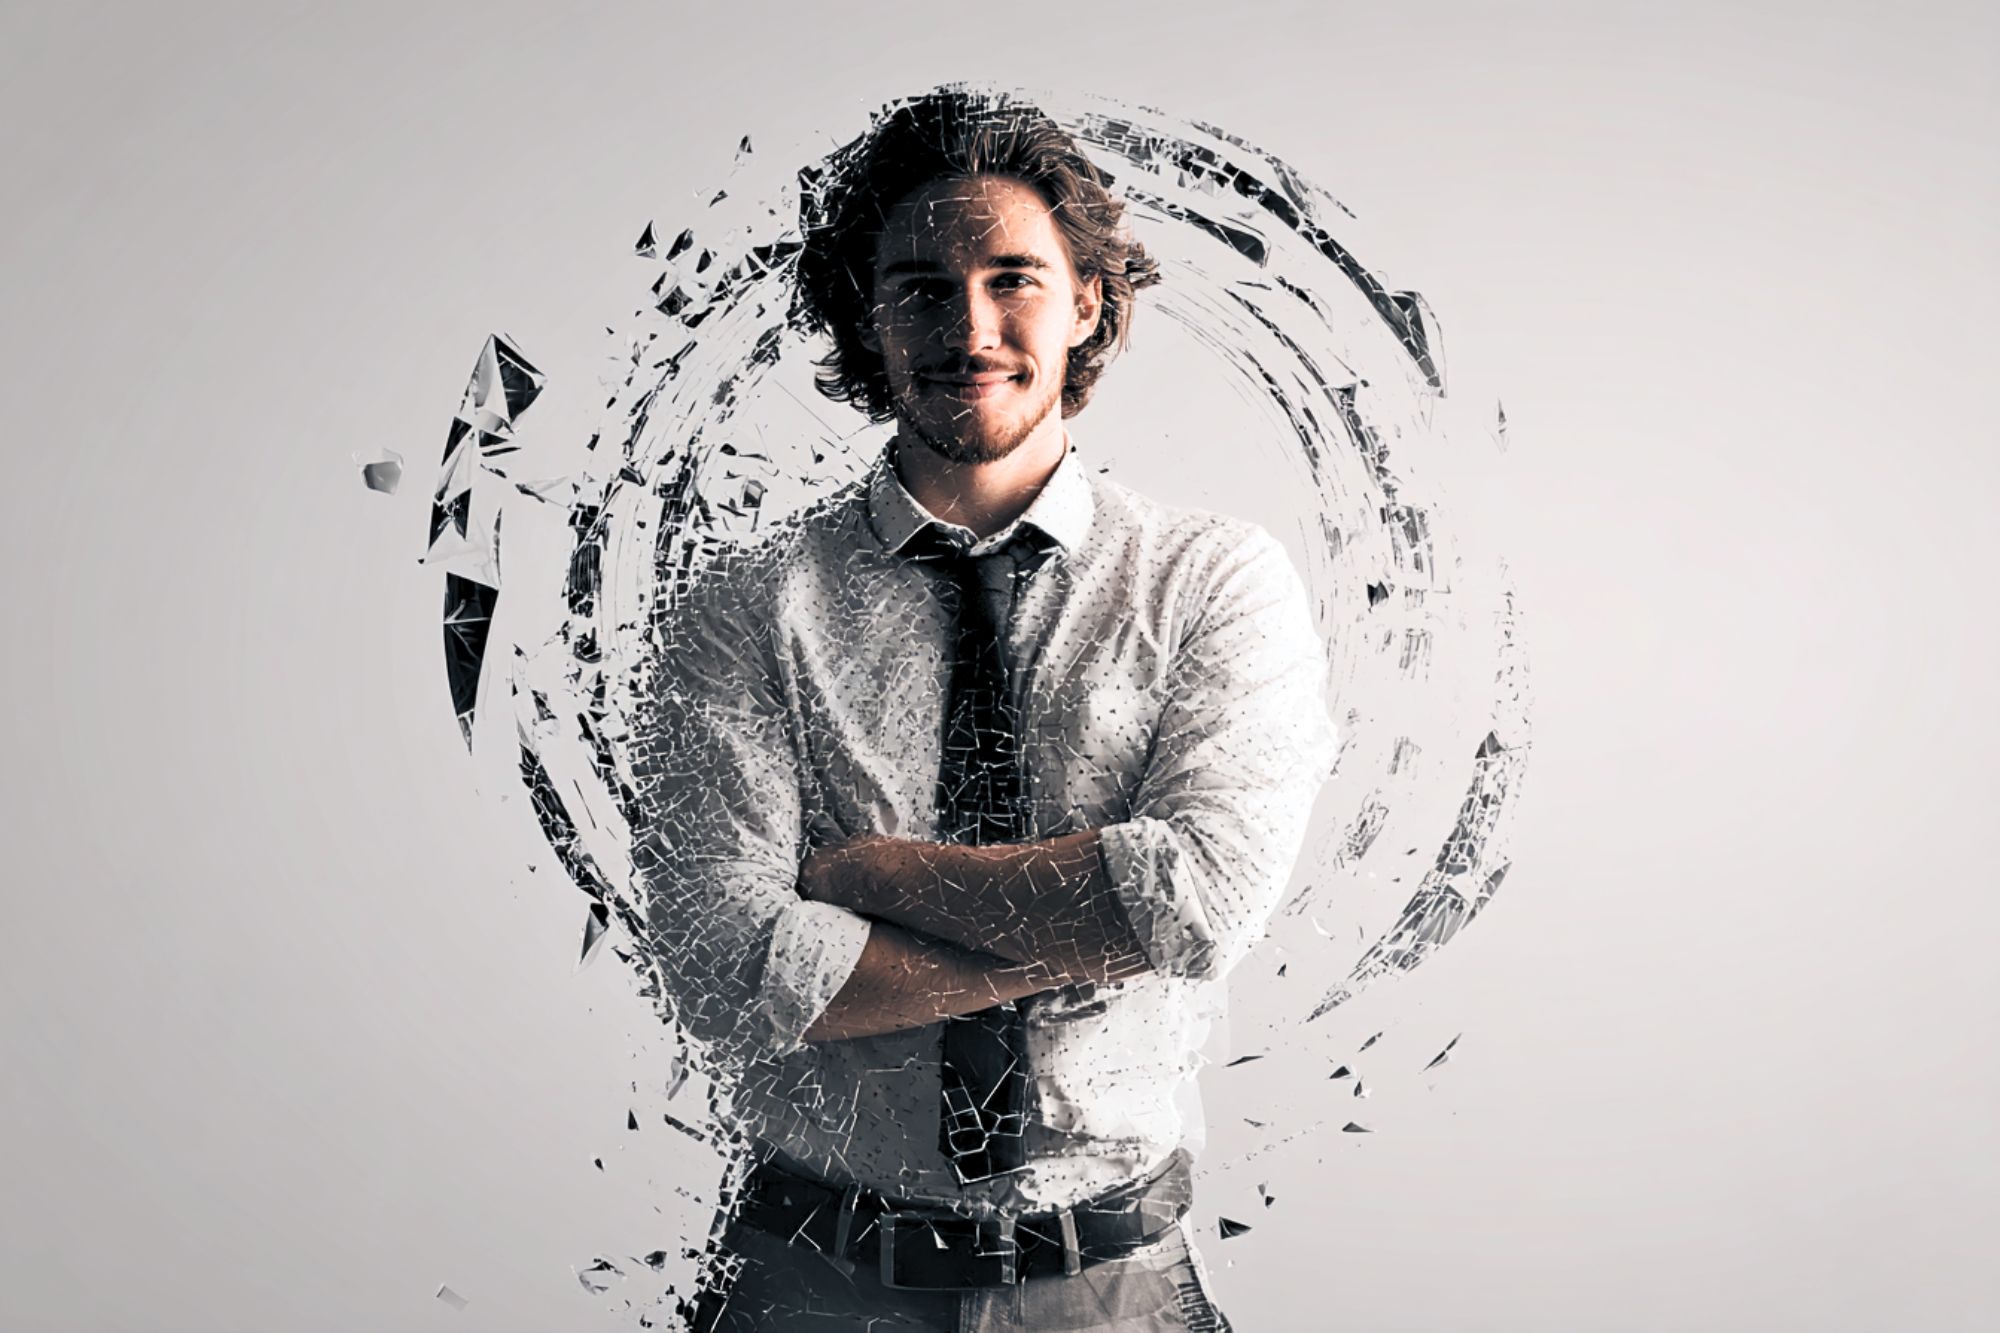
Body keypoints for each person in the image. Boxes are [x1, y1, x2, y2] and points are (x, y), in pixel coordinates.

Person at [629, 87, 1339, 1332]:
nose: (969, 325)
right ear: (865, 317)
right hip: (811, 1282)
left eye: (1013, 277)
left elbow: (1200, 897)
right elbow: (725, 966)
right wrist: (1094, 917)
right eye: (916, 286)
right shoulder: (741, 609)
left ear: (1089, 304)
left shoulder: (1212, 580)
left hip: (1112, 1284)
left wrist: (864, 874)